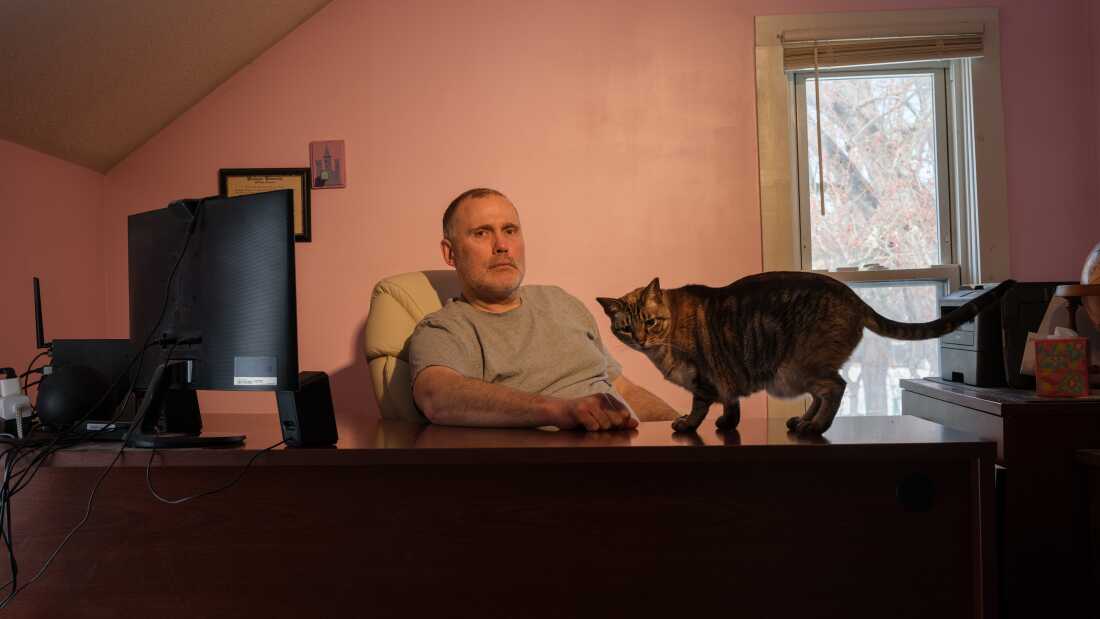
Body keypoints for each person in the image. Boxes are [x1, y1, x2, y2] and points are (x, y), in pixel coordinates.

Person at [409, 188, 679, 431]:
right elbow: (438, 397)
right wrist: (560, 410)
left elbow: (622, 389)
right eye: (481, 233)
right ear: (450, 253)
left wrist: (685, 430)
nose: (502, 245)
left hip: (634, 459)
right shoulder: (444, 328)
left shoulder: (561, 301)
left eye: (510, 230)